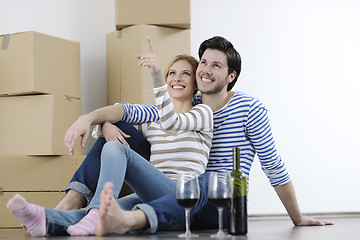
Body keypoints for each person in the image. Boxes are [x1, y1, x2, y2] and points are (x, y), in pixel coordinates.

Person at [92, 36, 335, 236]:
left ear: (231, 76)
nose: (206, 70)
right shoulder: (190, 101)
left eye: (216, 66)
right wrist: (102, 123)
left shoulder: (249, 108)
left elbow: (272, 163)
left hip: (217, 204)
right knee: (118, 133)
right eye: (204, 63)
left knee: (212, 180)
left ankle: (129, 218)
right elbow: (140, 111)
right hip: (183, 195)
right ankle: (72, 210)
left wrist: (297, 217)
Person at [6, 39, 213, 237]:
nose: (177, 78)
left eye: (186, 74)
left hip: (181, 197)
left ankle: (95, 211)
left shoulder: (203, 113)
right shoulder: (152, 119)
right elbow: (123, 112)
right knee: (97, 213)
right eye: (171, 73)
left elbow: (172, 120)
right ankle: (46, 220)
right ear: (167, 81)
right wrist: (101, 124)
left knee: (115, 149)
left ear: (195, 83)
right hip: (149, 192)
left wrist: (156, 74)